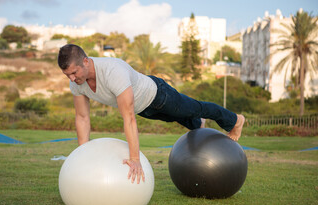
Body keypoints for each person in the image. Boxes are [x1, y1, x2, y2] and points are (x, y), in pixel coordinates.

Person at [57, 44, 245, 185]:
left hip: (159, 95)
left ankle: (235, 120)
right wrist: (83, 154)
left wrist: (135, 159)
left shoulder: (113, 71)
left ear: (86, 61)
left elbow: (128, 117)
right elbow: (82, 117)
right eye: (67, 76)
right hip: (144, 108)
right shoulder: (76, 84)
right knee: (177, 118)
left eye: (74, 72)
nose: (72, 79)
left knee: (196, 108)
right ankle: (198, 124)